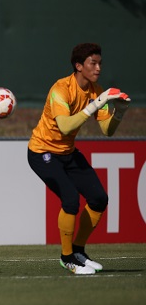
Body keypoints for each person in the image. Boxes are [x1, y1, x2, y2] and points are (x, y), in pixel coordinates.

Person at [28, 42, 130, 275]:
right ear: (78, 66)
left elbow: (107, 130)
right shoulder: (61, 89)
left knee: (98, 199)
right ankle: (67, 258)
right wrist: (96, 104)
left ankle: (78, 251)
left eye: (100, 63)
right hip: (42, 152)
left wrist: (119, 112)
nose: (98, 68)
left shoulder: (95, 90)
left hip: (67, 153)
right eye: (92, 63)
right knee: (71, 200)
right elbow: (64, 127)